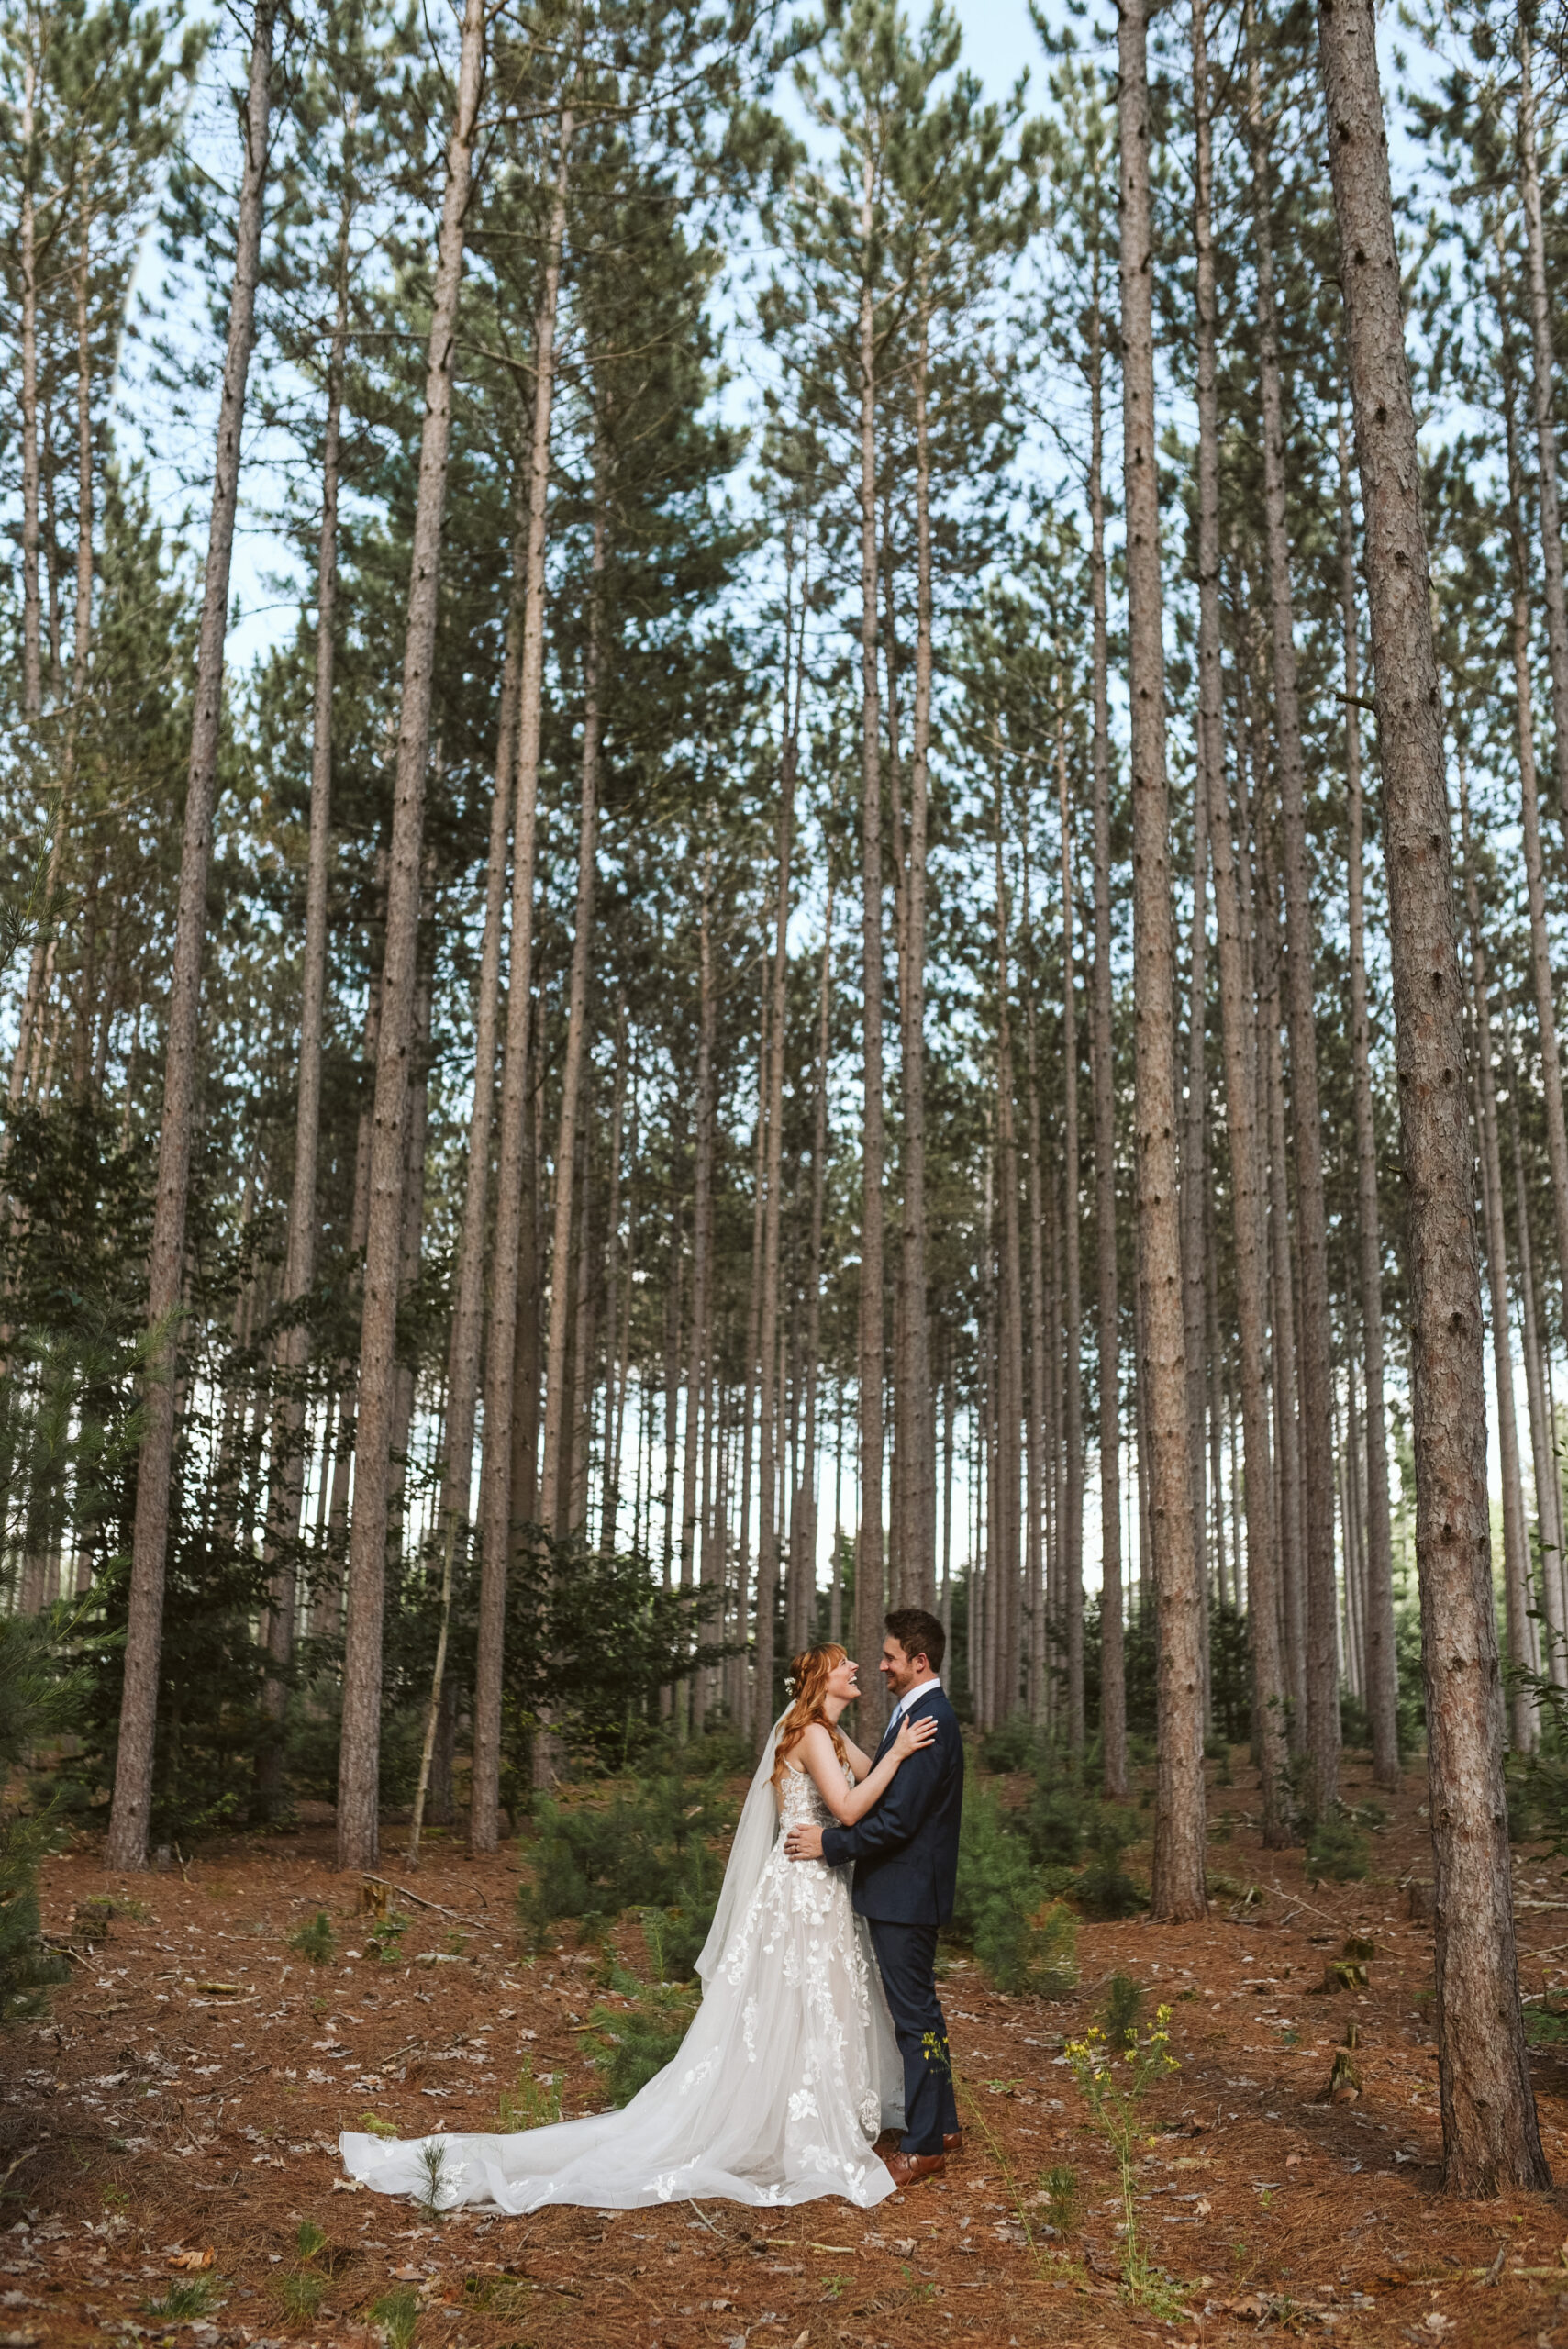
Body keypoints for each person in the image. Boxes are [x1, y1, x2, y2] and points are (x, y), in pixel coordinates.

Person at [338, 1643, 934, 2213]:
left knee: (821, 2000)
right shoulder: (805, 1734)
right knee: (790, 2000)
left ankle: (811, 2110)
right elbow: (853, 1809)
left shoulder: (831, 1733)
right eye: (843, 1663)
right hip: (802, 1890)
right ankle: (788, 2125)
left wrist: (896, 1755)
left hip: (822, 1887)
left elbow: (871, 1787)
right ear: (820, 1679)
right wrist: (900, 1754)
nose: (856, 1666)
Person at [784, 1608, 964, 2188]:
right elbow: (879, 1790)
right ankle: (943, 2126)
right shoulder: (910, 1714)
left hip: (906, 1891)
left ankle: (923, 2147)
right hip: (898, 1889)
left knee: (914, 2018)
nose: (880, 1664)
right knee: (918, 2013)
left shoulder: (930, 1718)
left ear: (920, 1661)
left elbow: (897, 1823)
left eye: (889, 1657)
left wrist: (832, 1844)